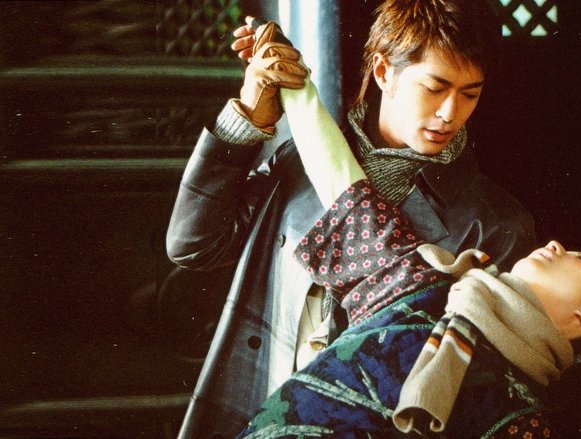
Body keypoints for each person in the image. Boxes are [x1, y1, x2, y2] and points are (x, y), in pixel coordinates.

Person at [166, 1, 536, 437]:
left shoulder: (495, 225)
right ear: (383, 72)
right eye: (435, 88)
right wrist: (247, 117)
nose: (450, 112)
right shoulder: (300, 164)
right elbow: (193, 245)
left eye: (469, 93)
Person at [232, 45, 581, 437]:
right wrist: (293, 76)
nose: (556, 245)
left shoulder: (524, 421)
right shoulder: (425, 287)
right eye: (435, 87)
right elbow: (342, 185)